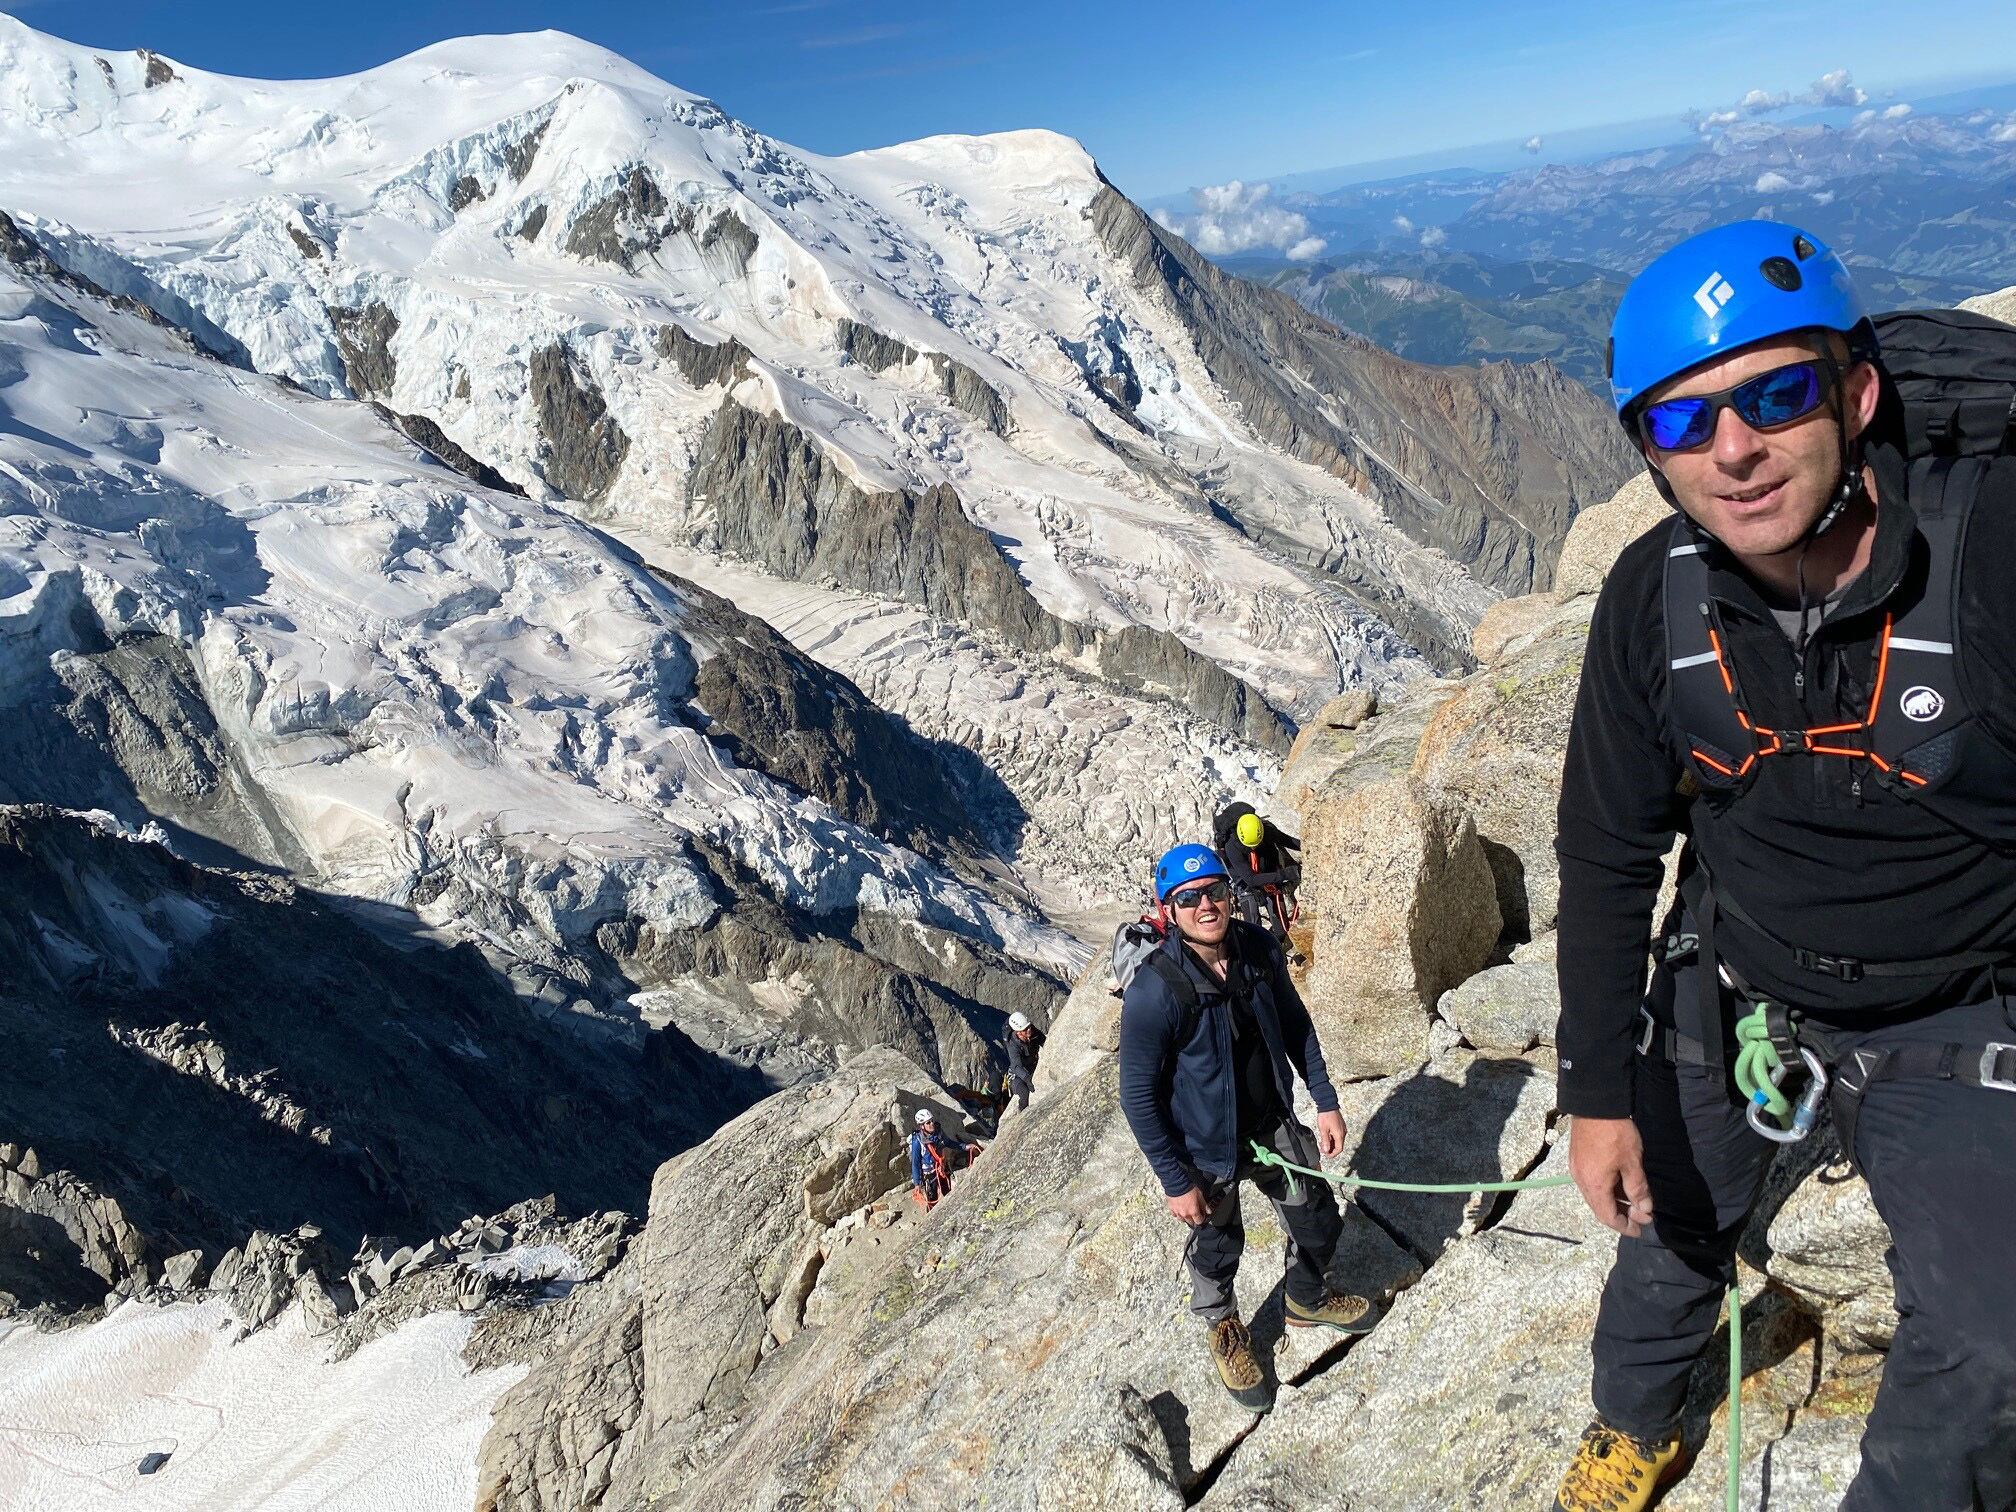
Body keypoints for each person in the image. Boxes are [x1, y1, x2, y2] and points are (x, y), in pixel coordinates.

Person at [1550, 219, 2016, 1512]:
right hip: (1742, 982)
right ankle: (1636, 1420)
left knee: (1994, 1340)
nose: (1735, 450)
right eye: (1684, 423)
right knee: (1665, 1225)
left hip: (1960, 1009)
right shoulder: (1654, 601)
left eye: (1776, 395)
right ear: (1648, 455)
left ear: (1857, 393)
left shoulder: (1990, 561)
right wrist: (1597, 1095)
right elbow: (1604, 851)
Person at [1118, 841, 1377, 1413]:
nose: (1205, 905)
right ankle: (1224, 1327)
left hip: (1272, 1125)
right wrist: (1174, 1178)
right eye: (1189, 898)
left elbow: (1296, 1025)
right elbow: (1136, 1096)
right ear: (1169, 910)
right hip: (1205, 1149)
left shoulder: (1258, 949)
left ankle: (1306, 1297)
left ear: (1228, 893)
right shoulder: (1155, 992)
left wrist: (1325, 1100)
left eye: (1214, 891)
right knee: (1216, 1242)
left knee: (1315, 1216)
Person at [1212, 802, 1303, 948]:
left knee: (1281, 928)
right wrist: (1286, 874)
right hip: (1245, 883)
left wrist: (1312, 847)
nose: (1253, 848)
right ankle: (1258, 955)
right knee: (1253, 930)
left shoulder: (1266, 831)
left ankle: (1276, 950)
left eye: (1256, 844)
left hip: (1267, 875)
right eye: (1249, 846)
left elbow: (1288, 841)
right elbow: (1251, 879)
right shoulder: (1231, 846)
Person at [908, 1108, 978, 1210]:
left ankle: (949, 1210)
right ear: (922, 1126)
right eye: (928, 1122)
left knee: (947, 1190)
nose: (932, 1123)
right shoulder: (917, 1141)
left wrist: (965, 1146)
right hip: (929, 1173)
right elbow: (916, 1162)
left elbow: (948, 1142)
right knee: (932, 1198)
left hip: (941, 1167)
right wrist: (917, 1184)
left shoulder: (938, 1132)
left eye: (932, 1120)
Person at [1000, 1010, 1044, 1116]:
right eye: (1025, 1029)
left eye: (1029, 1026)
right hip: (1016, 1075)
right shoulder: (1012, 1045)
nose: (1029, 1030)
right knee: (1024, 1093)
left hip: (1032, 1065)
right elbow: (1016, 1066)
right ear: (1018, 1032)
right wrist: (1027, 1078)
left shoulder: (1032, 1032)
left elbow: (1044, 1040)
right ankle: (1023, 1115)